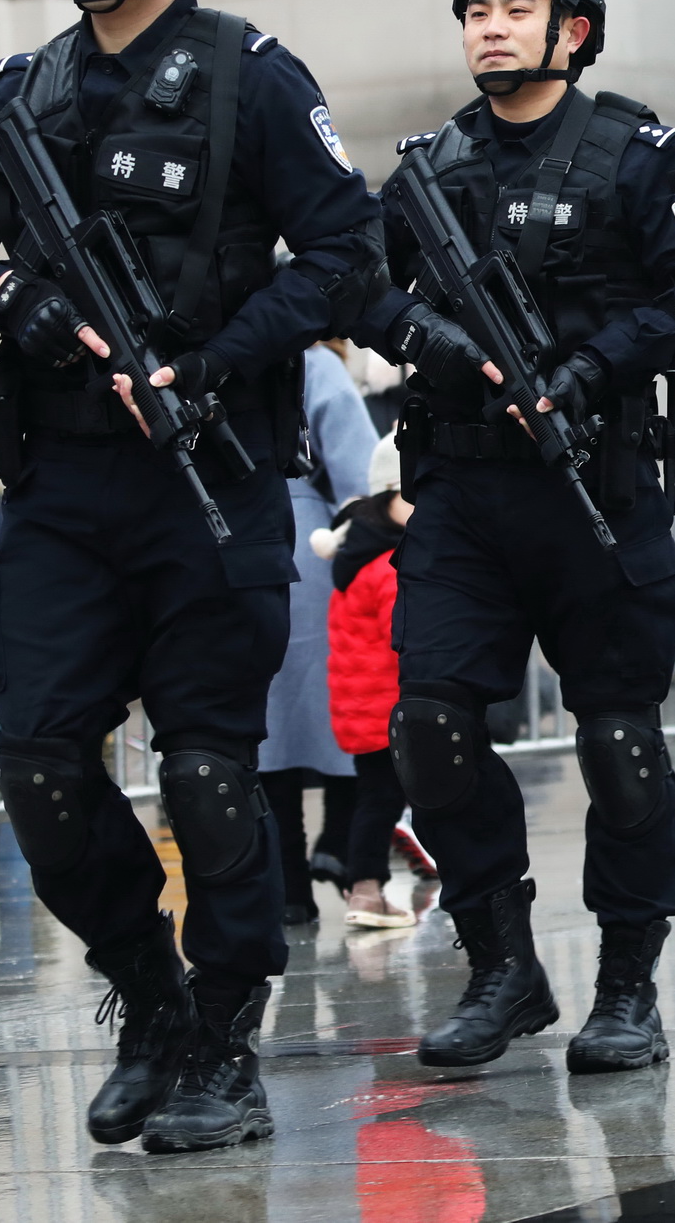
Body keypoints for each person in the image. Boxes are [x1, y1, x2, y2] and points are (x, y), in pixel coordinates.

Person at [0, 0, 383, 1153]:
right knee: (40, 760)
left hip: (208, 479)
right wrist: (15, 297)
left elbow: (346, 252)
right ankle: (151, 994)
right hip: (66, 492)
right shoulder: (23, 92)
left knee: (211, 771)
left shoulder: (252, 78)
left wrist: (220, 359)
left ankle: (225, 1036)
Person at [355, 0, 675, 1076]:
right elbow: (357, 292)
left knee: (618, 738)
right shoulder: (429, 167)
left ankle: (626, 984)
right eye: (476, 12)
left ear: (574, 31)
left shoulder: (640, 152)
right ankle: (503, 966)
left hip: (597, 482)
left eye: (516, 10)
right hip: (464, 489)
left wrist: (583, 368)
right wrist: (431, 340)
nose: (491, 30)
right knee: (430, 724)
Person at [260, 340, 374, 926]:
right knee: (348, 710)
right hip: (310, 546)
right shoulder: (314, 363)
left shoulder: (210, 357)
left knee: (267, 732)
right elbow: (359, 473)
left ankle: (287, 890)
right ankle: (340, 844)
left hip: (228, 541)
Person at [317, 434, 419, 929]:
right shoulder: (388, 567)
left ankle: (367, 892)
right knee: (382, 802)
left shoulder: (356, 558)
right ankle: (366, 892)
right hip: (387, 709)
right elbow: (402, 637)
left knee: (376, 800)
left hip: (364, 708)